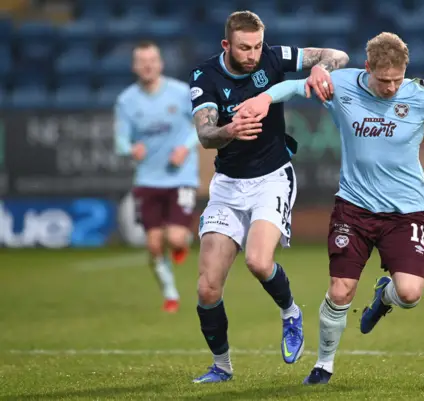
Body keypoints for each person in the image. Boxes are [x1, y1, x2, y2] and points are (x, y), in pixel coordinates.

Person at [234, 31, 424, 385]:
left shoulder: (420, 94)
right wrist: (263, 99)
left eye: (397, 79)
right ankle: (324, 364)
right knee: (340, 290)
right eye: (384, 80)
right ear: (367, 68)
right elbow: (293, 88)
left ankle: (384, 296)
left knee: (409, 294)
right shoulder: (341, 85)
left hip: (406, 211)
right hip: (354, 206)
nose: (392, 87)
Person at [188, 11, 349, 383]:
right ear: (226, 45)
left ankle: (291, 313)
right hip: (228, 184)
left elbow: (337, 55)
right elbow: (206, 134)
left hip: (272, 178)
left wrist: (320, 70)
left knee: (259, 262)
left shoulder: (274, 57)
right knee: (207, 287)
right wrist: (229, 128)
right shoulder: (205, 75)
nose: (253, 54)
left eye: (258, 45)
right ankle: (222, 366)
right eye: (245, 48)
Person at [114, 41, 199, 314]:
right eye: (142, 61)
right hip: (148, 180)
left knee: (175, 238)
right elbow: (120, 142)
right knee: (152, 244)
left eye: (152, 60)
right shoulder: (127, 101)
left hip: (180, 177)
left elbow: (203, 126)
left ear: (160, 63)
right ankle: (170, 293)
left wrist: (184, 148)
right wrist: (131, 148)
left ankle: (180, 244)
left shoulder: (180, 93)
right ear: (134, 66)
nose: (148, 65)